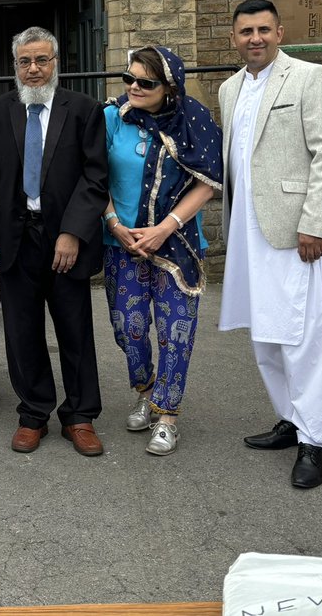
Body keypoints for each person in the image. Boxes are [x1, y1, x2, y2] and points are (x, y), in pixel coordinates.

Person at [217, 0, 322, 490]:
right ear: (234, 37)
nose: (255, 38)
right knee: (266, 333)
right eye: (246, 31)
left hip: (295, 232)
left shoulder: (310, 77)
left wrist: (315, 222)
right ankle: (290, 419)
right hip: (248, 233)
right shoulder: (230, 88)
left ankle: (316, 440)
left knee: (304, 335)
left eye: (264, 30)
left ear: (280, 32)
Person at [0, 27, 109, 456]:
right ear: (15, 66)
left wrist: (72, 233)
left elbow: (95, 177)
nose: (33, 69)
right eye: (25, 62)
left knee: (75, 329)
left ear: (55, 64)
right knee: (21, 331)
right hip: (14, 239)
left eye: (41, 60)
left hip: (64, 240)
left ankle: (80, 416)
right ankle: (33, 414)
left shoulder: (84, 110)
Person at [101, 45, 222, 456]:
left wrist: (164, 228)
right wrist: (114, 224)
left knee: (175, 332)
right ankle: (146, 391)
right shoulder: (113, 118)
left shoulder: (194, 120)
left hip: (176, 245)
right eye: (128, 78)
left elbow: (208, 181)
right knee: (128, 327)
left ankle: (168, 414)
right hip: (121, 243)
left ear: (169, 88)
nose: (133, 87)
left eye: (145, 82)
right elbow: (92, 174)